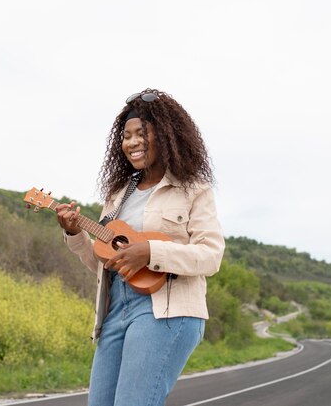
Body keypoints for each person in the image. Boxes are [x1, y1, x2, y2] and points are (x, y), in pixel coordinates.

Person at [55, 88, 225, 406]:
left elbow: (211, 255)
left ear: (165, 135)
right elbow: (106, 263)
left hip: (165, 309)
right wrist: (75, 235)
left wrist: (151, 253)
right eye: (126, 135)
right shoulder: (119, 194)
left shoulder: (193, 190)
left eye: (141, 134)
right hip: (115, 309)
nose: (131, 142)